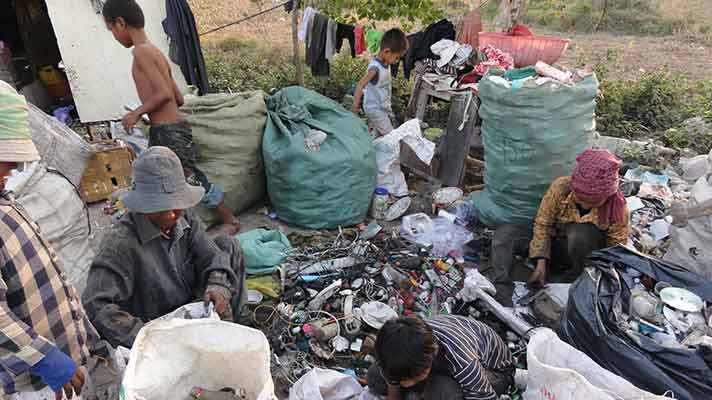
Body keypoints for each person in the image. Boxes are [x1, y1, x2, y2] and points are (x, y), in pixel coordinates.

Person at [0, 81, 112, 399]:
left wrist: (83, 333)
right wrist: (45, 359)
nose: (15, 168)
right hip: (32, 383)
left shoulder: (7, 202)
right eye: (6, 158)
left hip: (64, 366)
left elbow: (55, 282)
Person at [82, 147, 247, 348]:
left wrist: (217, 286)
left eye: (175, 206)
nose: (170, 215)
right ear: (142, 204)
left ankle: (236, 332)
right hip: (159, 324)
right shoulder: (120, 243)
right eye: (160, 207)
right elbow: (96, 304)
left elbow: (212, 255)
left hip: (193, 306)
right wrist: (148, 339)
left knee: (227, 245)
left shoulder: (183, 216)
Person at [102, 0, 240, 233]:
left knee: (185, 180)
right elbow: (179, 97)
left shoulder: (141, 52)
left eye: (112, 30)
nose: (114, 36)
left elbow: (164, 94)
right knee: (162, 181)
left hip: (168, 132)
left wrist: (137, 112)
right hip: (171, 129)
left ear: (120, 23)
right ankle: (170, 228)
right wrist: (152, 111)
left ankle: (229, 220)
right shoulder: (155, 51)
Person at [488, 148, 630, 303]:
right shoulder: (560, 187)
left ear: (607, 195)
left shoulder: (618, 209)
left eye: (593, 201)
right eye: (580, 198)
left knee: (579, 233)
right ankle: (501, 289)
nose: (585, 204)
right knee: (505, 235)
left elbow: (615, 252)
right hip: (554, 247)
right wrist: (541, 262)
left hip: (581, 259)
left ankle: (571, 284)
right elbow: (543, 224)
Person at [367, 315, 515, 400]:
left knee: (443, 393)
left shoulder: (464, 361)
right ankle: (420, 390)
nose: (405, 383)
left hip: (493, 373)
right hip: (437, 363)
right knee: (374, 378)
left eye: (410, 378)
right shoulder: (394, 347)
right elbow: (393, 380)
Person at [351, 28, 409, 136]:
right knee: (391, 135)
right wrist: (355, 107)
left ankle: (373, 147)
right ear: (387, 51)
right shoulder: (375, 69)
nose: (397, 61)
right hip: (374, 109)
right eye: (397, 58)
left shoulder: (386, 63)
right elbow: (360, 85)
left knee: (377, 133)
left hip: (381, 107)